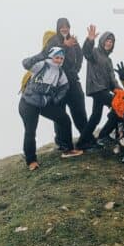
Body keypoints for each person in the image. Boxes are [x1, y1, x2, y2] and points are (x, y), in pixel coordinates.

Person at [18, 47, 83, 170]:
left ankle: (68, 149)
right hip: (28, 103)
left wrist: (55, 99)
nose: (59, 60)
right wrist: (39, 55)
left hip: (43, 104)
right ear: (51, 56)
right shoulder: (42, 65)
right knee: (30, 131)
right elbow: (25, 63)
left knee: (64, 118)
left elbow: (65, 86)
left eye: (61, 58)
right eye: (56, 57)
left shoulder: (60, 72)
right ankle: (31, 161)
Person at [44, 17, 88, 150]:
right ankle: (63, 143)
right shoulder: (53, 40)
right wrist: (64, 45)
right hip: (57, 84)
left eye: (66, 26)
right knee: (60, 113)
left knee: (79, 110)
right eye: (62, 26)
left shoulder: (73, 40)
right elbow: (48, 55)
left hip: (73, 81)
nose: (64, 29)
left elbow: (80, 56)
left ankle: (86, 139)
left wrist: (76, 70)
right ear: (58, 28)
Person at [77, 25, 119, 150]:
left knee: (95, 116)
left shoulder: (108, 60)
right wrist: (90, 40)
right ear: (102, 41)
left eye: (111, 42)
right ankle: (103, 135)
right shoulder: (95, 52)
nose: (109, 43)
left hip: (103, 90)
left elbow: (112, 80)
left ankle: (82, 142)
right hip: (96, 89)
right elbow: (86, 52)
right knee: (118, 107)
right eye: (107, 40)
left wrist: (121, 92)